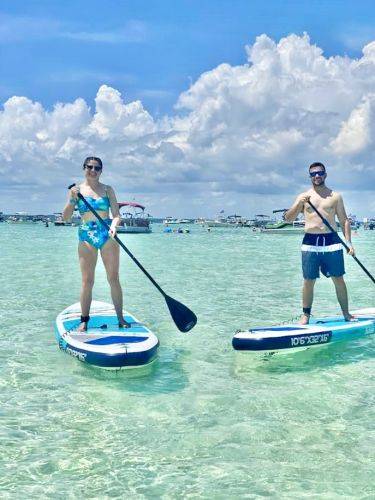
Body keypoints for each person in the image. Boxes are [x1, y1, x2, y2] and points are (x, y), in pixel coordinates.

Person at [62, 156, 130, 331]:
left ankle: (121, 318)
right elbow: (66, 217)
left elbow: (116, 215)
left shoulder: (108, 190)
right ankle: (84, 320)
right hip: (86, 235)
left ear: (101, 170)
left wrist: (114, 226)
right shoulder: (76, 191)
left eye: (97, 168)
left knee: (113, 278)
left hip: (107, 234)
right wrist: (72, 199)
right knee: (87, 280)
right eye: (89, 167)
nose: (93, 171)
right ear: (84, 168)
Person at [285, 162, 355, 325]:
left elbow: (344, 220)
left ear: (325, 174)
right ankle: (305, 315)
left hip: (332, 241)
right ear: (310, 176)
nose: (317, 176)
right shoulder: (303, 196)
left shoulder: (335, 196)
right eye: (313, 174)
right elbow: (289, 218)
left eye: (320, 173)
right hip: (310, 242)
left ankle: (346, 313)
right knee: (309, 280)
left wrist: (349, 243)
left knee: (338, 279)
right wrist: (299, 203)